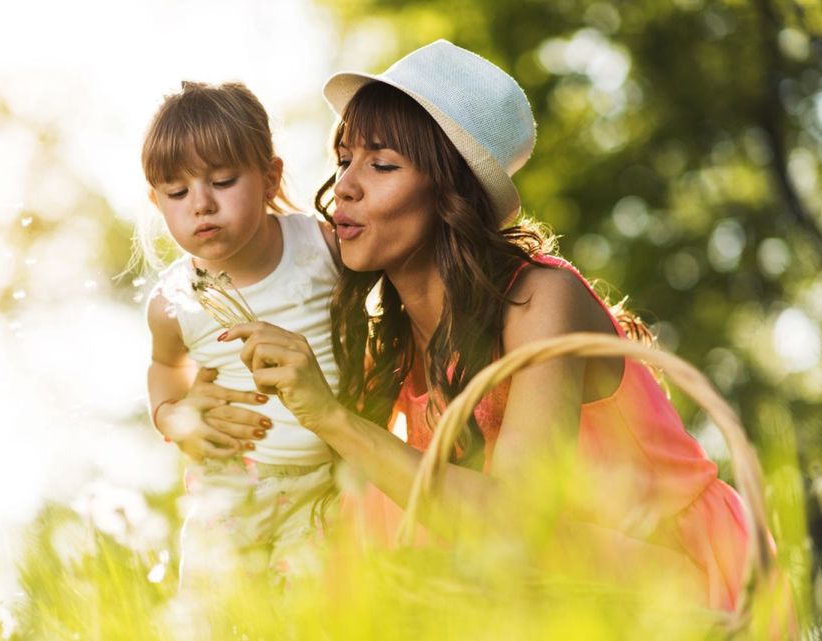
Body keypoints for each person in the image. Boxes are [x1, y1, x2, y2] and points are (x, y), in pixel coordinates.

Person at [220, 40, 752, 611]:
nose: (346, 185)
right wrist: (196, 413)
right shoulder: (392, 346)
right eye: (345, 158)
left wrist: (331, 416)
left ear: (451, 195)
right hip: (565, 589)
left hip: (681, 581)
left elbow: (515, 528)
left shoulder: (542, 299)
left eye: (382, 164)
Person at [139, 81, 341, 585]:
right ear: (157, 201)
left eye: (223, 180)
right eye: (177, 193)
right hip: (229, 486)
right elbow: (166, 368)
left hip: (332, 481)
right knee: (218, 615)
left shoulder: (321, 248)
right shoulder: (173, 302)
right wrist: (173, 417)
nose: (201, 204)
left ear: (270, 178)